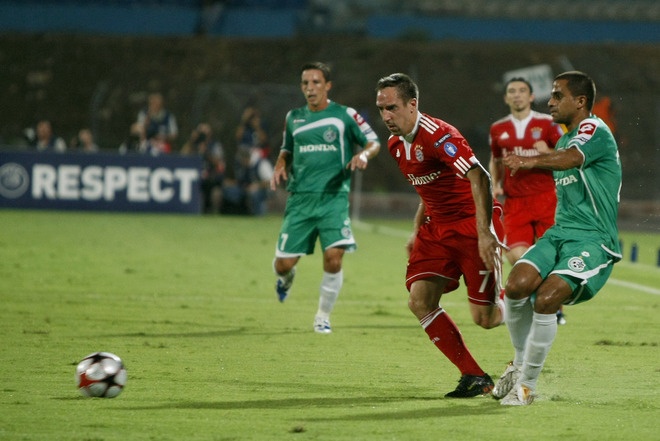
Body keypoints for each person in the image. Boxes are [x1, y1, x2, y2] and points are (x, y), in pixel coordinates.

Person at [495, 71, 621, 405]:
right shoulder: (564, 138)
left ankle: (527, 386)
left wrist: (529, 160)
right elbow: (564, 155)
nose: (549, 102)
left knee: (546, 298)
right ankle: (518, 363)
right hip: (559, 234)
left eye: (556, 96)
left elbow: (570, 159)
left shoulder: (592, 130)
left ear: (580, 102)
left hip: (593, 240)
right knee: (516, 285)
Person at [375, 73, 505, 398]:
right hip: (437, 230)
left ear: (412, 104)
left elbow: (480, 176)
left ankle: (526, 301)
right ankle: (474, 376)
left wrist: (485, 232)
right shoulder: (395, 145)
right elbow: (427, 191)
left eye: (392, 107)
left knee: (485, 319)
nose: (386, 116)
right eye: (381, 109)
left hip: (470, 225)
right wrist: (416, 230)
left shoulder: (439, 136)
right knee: (419, 301)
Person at [270, 61, 381, 334]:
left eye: (316, 82)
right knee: (283, 264)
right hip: (300, 200)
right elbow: (287, 148)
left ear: (327, 85)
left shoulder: (344, 115)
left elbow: (373, 141)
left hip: (333, 198)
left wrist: (363, 155)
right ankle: (286, 278)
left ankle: (323, 315)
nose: (310, 88)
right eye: (305, 83)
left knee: (334, 256)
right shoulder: (293, 117)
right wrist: (280, 162)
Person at [488, 77, 567, 325]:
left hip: (547, 199)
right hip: (516, 201)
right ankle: (534, 300)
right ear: (506, 98)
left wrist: (549, 152)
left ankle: (551, 307)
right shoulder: (498, 128)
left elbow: (569, 155)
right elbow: (496, 159)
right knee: (516, 256)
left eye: (522, 91)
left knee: (552, 258)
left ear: (532, 97)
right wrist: (495, 183)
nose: (517, 95)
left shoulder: (548, 123)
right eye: (512, 91)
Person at [181, 123, 226, 214]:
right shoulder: (193, 145)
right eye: (201, 133)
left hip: (211, 179)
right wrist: (192, 141)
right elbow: (182, 157)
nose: (204, 136)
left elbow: (219, 162)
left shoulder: (215, 145)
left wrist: (206, 152)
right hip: (194, 178)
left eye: (206, 133)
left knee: (215, 193)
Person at [223, 146, 273, 216]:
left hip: (263, 190)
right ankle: (238, 214)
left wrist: (257, 185)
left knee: (254, 194)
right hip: (246, 189)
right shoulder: (244, 167)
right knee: (230, 191)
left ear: (246, 158)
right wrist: (231, 183)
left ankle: (259, 216)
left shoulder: (261, 163)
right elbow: (241, 181)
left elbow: (270, 181)